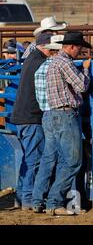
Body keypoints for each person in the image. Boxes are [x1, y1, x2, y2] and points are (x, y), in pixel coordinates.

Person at [35, 31, 91, 216]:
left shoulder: (52, 63)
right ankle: (54, 201)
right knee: (73, 162)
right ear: (73, 46)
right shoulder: (65, 62)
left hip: (51, 115)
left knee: (52, 158)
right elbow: (82, 86)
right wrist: (86, 69)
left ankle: (40, 200)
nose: (80, 52)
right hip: (65, 114)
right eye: (80, 48)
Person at [10, 32, 53, 210]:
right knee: (34, 158)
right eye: (52, 48)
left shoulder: (30, 60)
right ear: (45, 47)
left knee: (29, 158)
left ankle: (21, 197)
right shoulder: (41, 63)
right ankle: (27, 198)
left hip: (23, 117)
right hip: (32, 117)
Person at [31, 35, 64, 213]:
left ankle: (37, 200)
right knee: (68, 159)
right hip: (59, 114)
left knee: (47, 159)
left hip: (46, 115)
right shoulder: (58, 67)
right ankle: (56, 199)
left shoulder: (40, 68)